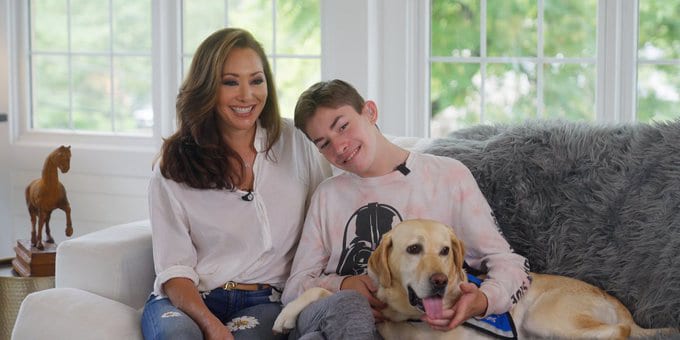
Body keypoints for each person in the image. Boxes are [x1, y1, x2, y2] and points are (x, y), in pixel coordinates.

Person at [281, 79, 532, 338]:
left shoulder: (449, 177)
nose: (340, 146)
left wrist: (483, 300)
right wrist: (344, 284)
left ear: (370, 112)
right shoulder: (327, 195)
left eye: (343, 126)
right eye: (324, 143)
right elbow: (295, 288)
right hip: (345, 323)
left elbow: (511, 265)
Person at [141, 28, 330, 340]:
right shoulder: (173, 166)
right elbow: (173, 270)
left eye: (256, 80)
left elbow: (327, 222)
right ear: (206, 88)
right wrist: (210, 325)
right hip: (190, 299)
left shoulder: (296, 142)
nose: (247, 95)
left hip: (266, 299)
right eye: (230, 82)